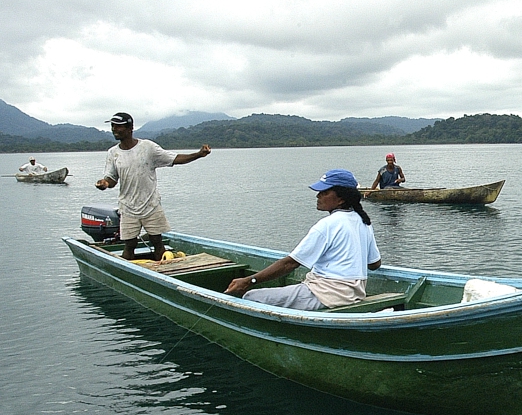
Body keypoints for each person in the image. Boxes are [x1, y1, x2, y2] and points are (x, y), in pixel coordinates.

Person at [225, 169, 382, 311]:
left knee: (250, 297)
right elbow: (374, 264)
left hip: (325, 295)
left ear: (341, 198)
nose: (318, 196)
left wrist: (248, 281)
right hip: (354, 294)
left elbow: (290, 264)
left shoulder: (327, 225)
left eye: (324, 192)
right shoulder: (363, 222)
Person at [94, 112, 211, 260]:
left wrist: (198, 154)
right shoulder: (113, 153)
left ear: (130, 128)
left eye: (118, 126)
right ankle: (129, 272)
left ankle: (163, 272)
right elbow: (111, 179)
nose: (114, 129)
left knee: (157, 242)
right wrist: (104, 183)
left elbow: (174, 159)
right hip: (128, 207)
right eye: (112, 126)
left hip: (151, 205)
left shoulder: (147, 147)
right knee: (129, 244)